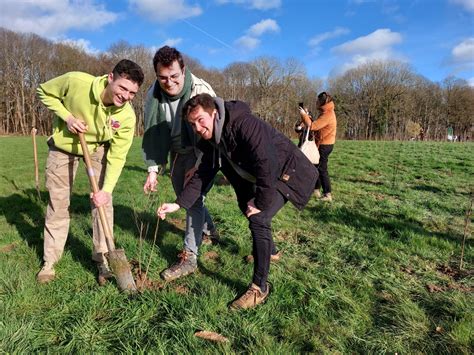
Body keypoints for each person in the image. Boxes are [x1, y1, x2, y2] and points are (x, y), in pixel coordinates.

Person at [157, 93, 318, 309]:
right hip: (261, 176)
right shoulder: (209, 139)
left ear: (214, 113)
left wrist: (260, 202)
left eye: (200, 120)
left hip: (287, 173)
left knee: (258, 218)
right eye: (192, 124)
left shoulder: (245, 124)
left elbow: (266, 164)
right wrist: (178, 204)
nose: (197, 128)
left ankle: (259, 288)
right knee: (246, 206)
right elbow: (203, 174)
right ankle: (271, 252)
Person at [36, 59, 145, 284]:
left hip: (97, 148)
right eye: (123, 88)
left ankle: (103, 258)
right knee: (58, 204)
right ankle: (50, 261)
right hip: (63, 147)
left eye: (132, 93)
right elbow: (44, 91)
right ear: (110, 78)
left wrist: (105, 190)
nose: (125, 96)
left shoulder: (126, 117)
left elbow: (117, 156)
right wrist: (67, 118)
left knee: (103, 203)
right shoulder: (76, 82)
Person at [142, 46, 218, 281]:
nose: (169, 82)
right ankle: (209, 230)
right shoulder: (153, 95)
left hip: (200, 151)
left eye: (174, 76)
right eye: (163, 77)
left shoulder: (200, 90)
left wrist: (201, 163)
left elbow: (212, 130)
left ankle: (190, 257)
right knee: (184, 197)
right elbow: (152, 132)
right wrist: (153, 170)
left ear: (183, 70)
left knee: (192, 199)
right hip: (176, 152)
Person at [299, 92, 337, 202]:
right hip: (324, 144)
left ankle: (327, 194)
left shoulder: (328, 114)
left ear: (321, 102)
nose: (315, 103)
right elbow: (316, 124)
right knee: (317, 167)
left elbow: (313, 126)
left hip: (325, 145)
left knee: (322, 169)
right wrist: (307, 116)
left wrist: (303, 114)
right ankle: (316, 189)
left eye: (317, 101)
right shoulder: (326, 112)